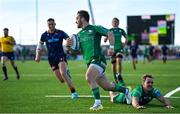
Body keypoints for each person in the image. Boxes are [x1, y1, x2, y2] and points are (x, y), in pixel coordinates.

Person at [66, 10, 131, 111]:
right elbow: (76, 52)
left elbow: (109, 33)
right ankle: (126, 91)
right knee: (107, 87)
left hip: (98, 60)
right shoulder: (78, 35)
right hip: (90, 63)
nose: (76, 21)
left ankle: (98, 103)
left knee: (88, 76)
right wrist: (68, 47)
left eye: (77, 18)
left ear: (82, 18)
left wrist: (112, 47)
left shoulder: (95, 28)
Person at [35, 18, 78, 99]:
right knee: (62, 80)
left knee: (63, 73)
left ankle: (74, 92)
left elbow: (68, 39)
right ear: (47, 25)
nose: (51, 26)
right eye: (49, 24)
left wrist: (68, 43)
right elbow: (40, 46)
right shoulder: (44, 35)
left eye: (52, 24)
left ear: (55, 24)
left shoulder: (60, 33)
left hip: (60, 55)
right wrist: (37, 56)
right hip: (51, 59)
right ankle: (66, 72)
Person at [109, 74, 174, 109]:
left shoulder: (154, 91)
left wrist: (168, 105)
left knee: (125, 88)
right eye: (148, 82)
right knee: (113, 98)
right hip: (124, 99)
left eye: (152, 82)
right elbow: (134, 102)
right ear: (143, 82)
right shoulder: (138, 90)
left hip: (129, 93)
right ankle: (112, 85)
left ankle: (121, 82)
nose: (150, 84)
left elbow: (164, 100)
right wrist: (137, 106)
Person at [105, 17, 128, 84]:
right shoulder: (110, 30)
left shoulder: (121, 30)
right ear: (112, 23)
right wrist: (106, 39)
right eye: (113, 22)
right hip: (112, 50)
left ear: (118, 23)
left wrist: (125, 43)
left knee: (119, 60)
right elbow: (105, 39)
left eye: (116, 22)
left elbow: (126, 38)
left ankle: (119, 75)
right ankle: (115, 77)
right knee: (114, 65)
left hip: (119, 49)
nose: (115, 23)